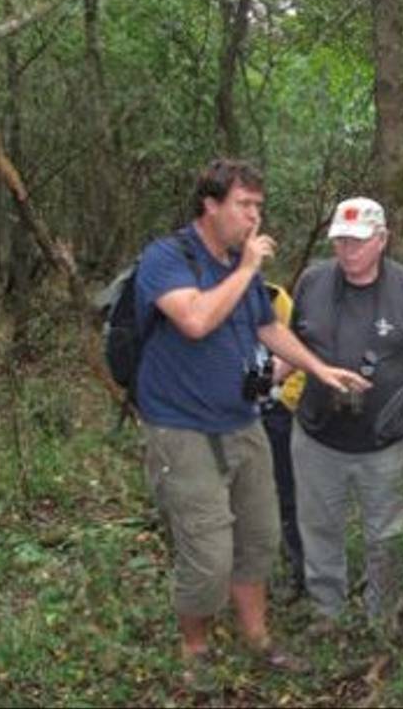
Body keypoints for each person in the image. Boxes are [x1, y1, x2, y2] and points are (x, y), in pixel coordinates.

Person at [134, 159, 370, 680]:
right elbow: (195, 320)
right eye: (244, 205)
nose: (254, 218)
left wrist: (319, 368)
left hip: (243, 422)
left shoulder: (239, 266)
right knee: (208, 554)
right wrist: (244, 271)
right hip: (181, 428)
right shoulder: (167, 258)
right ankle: (195, 650)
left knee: (260, 536)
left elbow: (267, 328)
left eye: (259, 207)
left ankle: (258, 637)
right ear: (210, 205)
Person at [290, 197, 403, 629]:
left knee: (386, 535)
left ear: (382, 240)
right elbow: (292, 346)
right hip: (318, 435)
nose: (347, 251)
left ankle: (384, 618)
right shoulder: (312, 281)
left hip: (388, 441)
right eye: (340, 240)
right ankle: (328, 613)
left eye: (357, 242)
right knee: (320, 529)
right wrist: (264, 382)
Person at [260, 282, 307, 601]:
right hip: (229, 417)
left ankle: (300, 573)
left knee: (287, 495)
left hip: (277, 414)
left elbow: (302, 350)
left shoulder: (273, 300)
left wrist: (285, 402)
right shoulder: (203, 296)